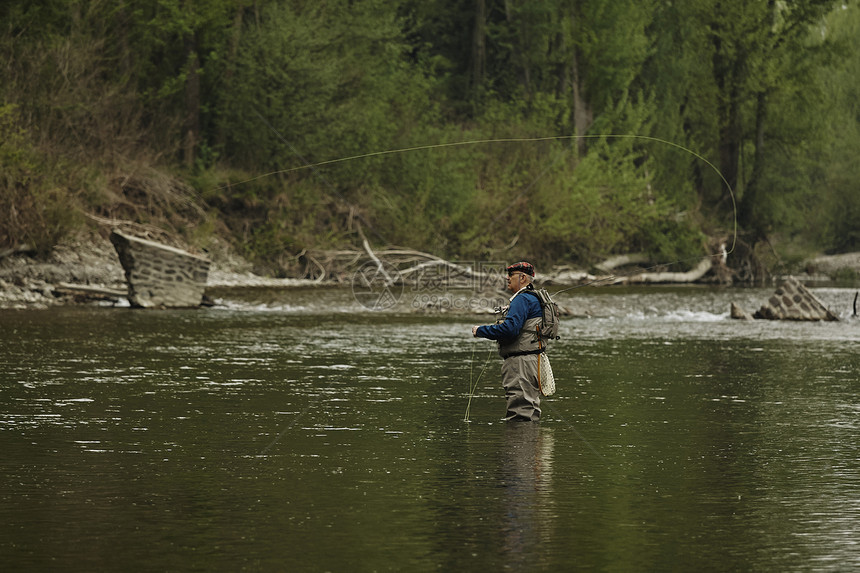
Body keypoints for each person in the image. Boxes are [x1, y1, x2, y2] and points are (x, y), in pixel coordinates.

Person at [471, 261, 544, 422]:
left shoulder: (522, 299)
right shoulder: (534, 298)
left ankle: (519, 446)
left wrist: (480, 330)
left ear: (523, 277)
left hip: (520, 364)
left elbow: (510, 330)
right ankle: (530, 445)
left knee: (520, 412)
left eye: (511, 275)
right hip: (533, 360)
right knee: (530, 411)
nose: (507, 278)